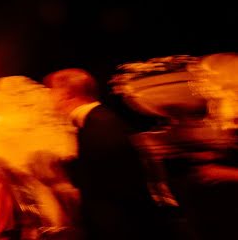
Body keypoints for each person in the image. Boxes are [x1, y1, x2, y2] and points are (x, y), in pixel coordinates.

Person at [43, 68, 168, 239]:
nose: (47, 98)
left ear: (66, 94)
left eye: (50, 91)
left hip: (122, 226)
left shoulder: (101, 125)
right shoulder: (96, 120)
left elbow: (111, 182)